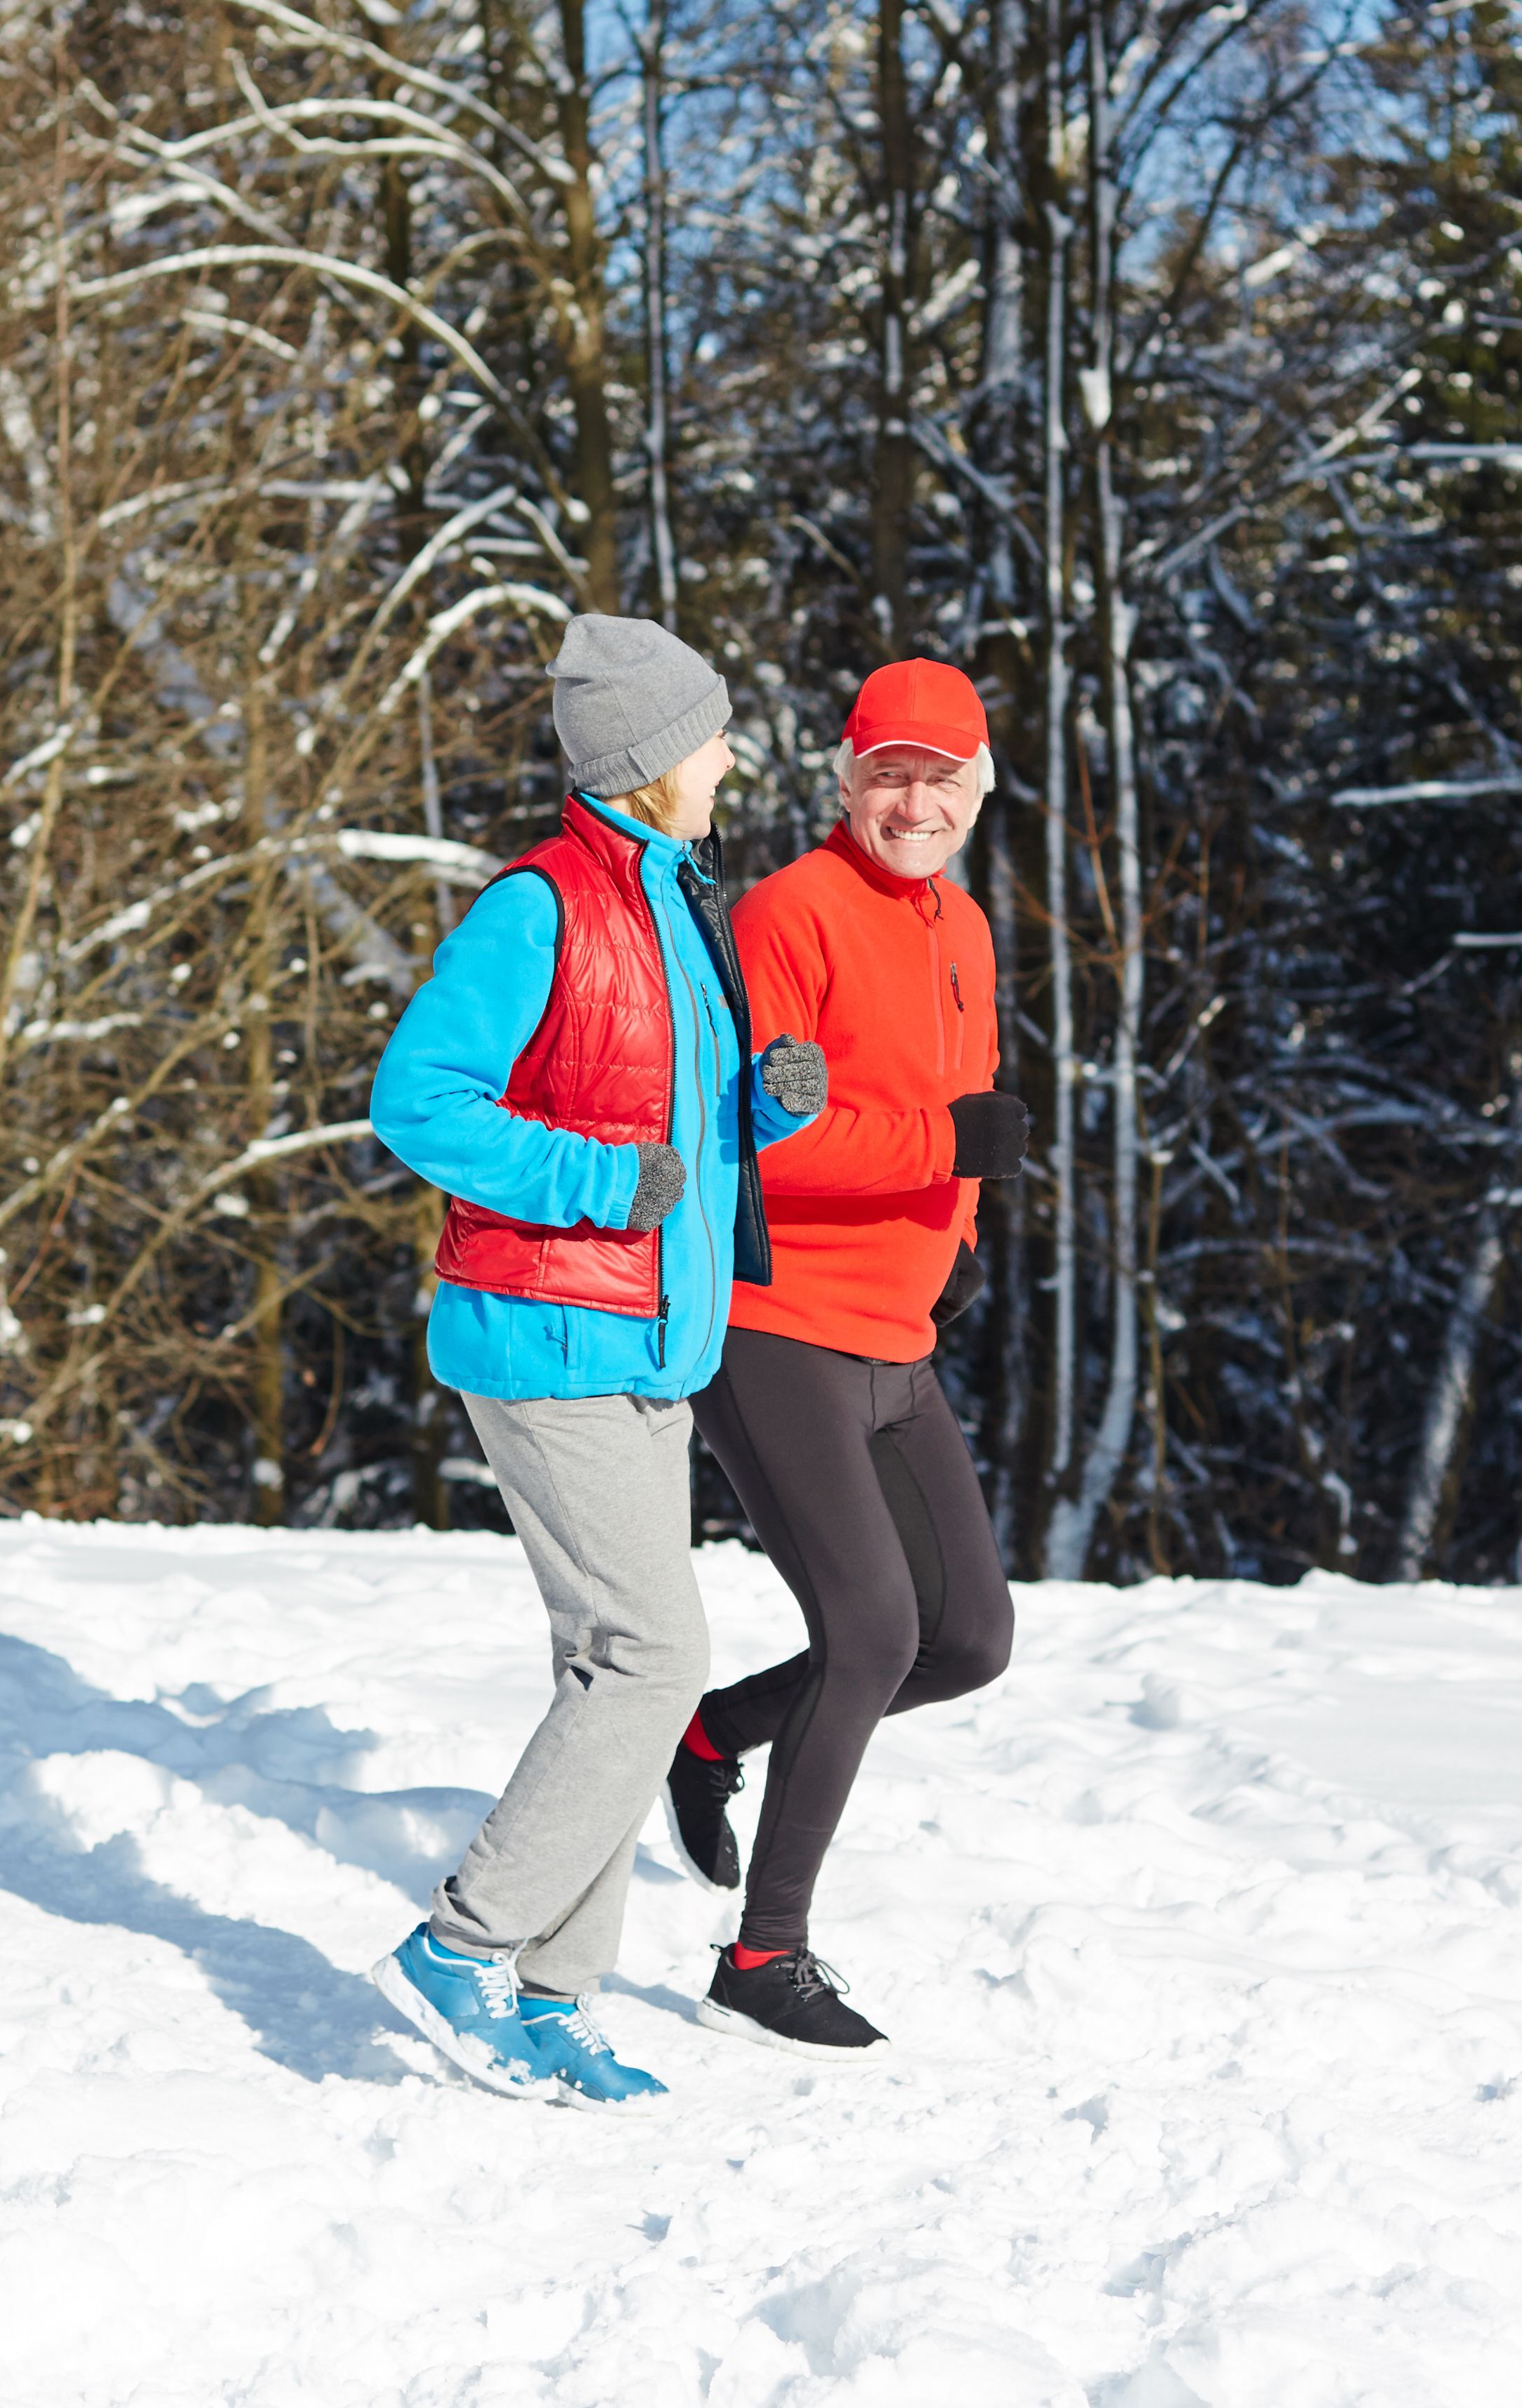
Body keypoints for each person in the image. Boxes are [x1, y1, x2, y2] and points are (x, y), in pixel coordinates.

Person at [362, 612, 828, 2109]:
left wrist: (766, 1109)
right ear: (644, 764)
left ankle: (553, 1997)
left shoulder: (676, 907)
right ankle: (464, 1946)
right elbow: (418, 1098)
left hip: (647, 1342)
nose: (732, 757)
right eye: (711, 736)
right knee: (656, 1659)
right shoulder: (542, 906)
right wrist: (584, 1180)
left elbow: (672, 1140)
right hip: (548, 1334)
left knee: (604, 1661)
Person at [665, 659, 1025, 2054]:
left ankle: (715, 1738)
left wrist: (963, 1231)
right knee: (871, 1631)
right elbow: (781, 1137)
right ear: (844, 778)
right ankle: (765, 1956)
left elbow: (969, 1092)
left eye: (944, 779)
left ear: (978, 793)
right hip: (781, 1330)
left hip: (900, 1336)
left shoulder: (966, 926)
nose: (915, 803)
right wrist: (948, 1157)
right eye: (891, 774)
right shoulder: (789, 918)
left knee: (970, 1641)